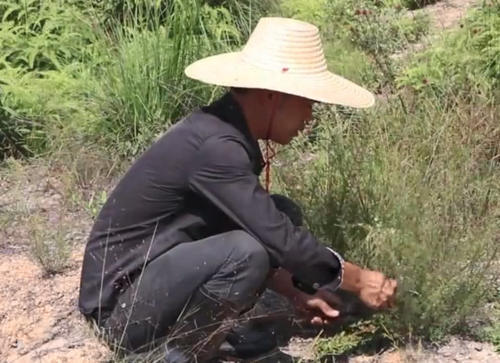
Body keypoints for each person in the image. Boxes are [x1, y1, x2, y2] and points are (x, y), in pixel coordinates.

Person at [78, 17, 397, 362]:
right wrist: (360, 280)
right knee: (247, 250)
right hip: (122, 312)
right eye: (308, 103)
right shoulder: (216, 148)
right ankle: (178, 354)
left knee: (279, 211)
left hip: (156, 281)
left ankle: (220, 334)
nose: (310, 117)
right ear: (275, 96)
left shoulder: (222, 132)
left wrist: (296, 290)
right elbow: (280, 240)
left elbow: (256, 225)